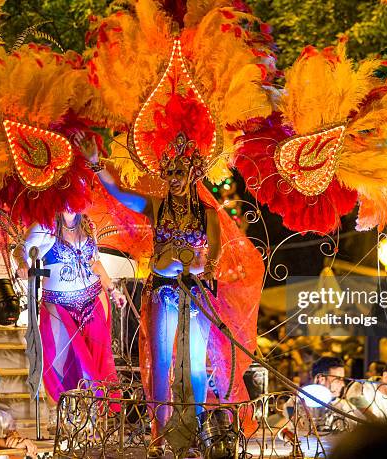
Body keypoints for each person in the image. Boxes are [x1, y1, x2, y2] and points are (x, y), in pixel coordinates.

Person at [88, 131, 263, 456]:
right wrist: (97, 165)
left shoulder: (208, 214)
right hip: (161, 293)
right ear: (167, 176)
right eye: (172, 174)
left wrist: (198, 267)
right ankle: (158, 435)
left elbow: (213, 257)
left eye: (183, 174)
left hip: (195, 296)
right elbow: (121, 193)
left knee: (196, 366)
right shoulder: (157, 206)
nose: (177, 180)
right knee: (161, 363)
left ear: (194, 175)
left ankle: (191, 431)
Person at [14, 210, 126, 429]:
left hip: (92, 301)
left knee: (94, 362)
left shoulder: (88, 225)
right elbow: (20, 249)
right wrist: (22, 264)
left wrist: (113, 290)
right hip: (58, 305)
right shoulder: (45, 225)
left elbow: (96, 265)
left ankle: (93, 421)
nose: (72, 204)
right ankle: (64, 416)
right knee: (60, 360)